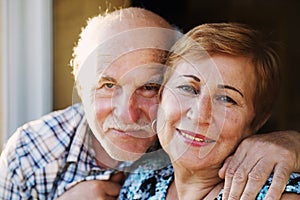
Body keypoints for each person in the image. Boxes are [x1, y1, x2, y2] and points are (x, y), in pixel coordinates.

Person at [0, 7, 299, 200]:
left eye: (148, 87)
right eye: (107, 85)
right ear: (79, 82)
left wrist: (291, 143)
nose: (127, 113)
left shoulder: (192, 141)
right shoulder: (31, 152)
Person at [119, 23, 300, 199]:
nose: (200, 115)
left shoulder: (278, 194)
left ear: (256, 121)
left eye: (226, 99)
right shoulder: (141, 178)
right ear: (160, 95)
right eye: (188, 88)